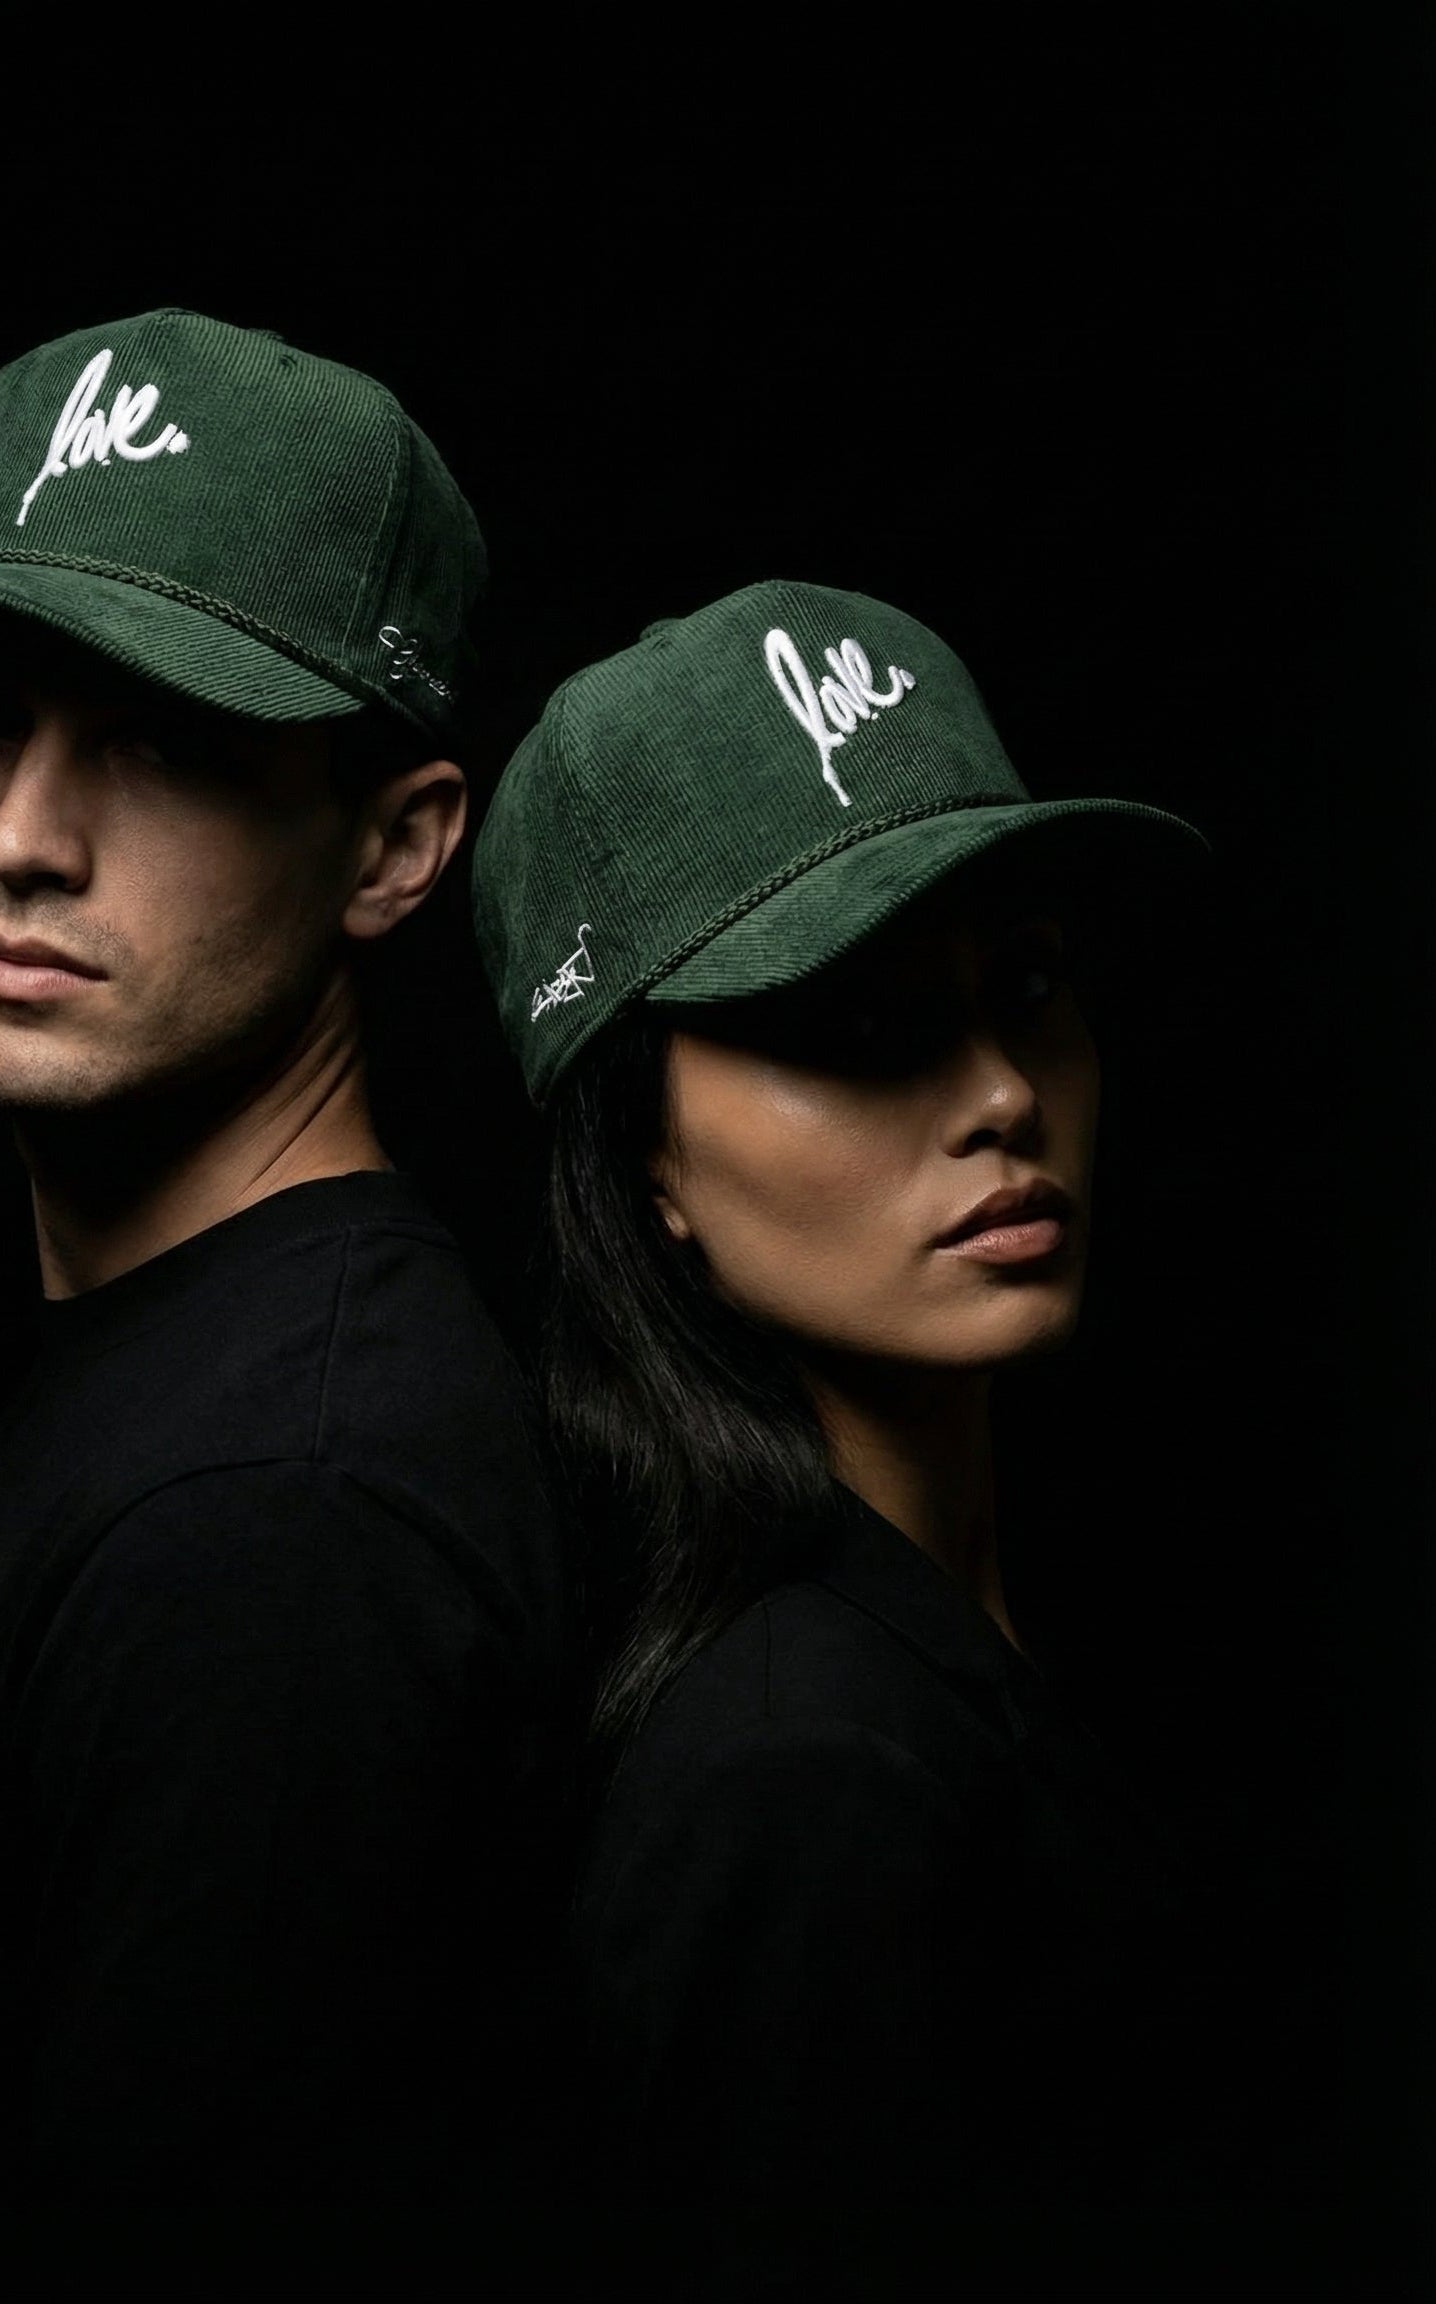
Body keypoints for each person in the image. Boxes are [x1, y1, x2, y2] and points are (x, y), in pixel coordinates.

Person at [0, 309, 569, 2296]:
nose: (21, 837)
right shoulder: (181, 1378)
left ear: (393, 848)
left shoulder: (281, 1520)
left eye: (158, 737)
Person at [471, 581, 1249, 2296]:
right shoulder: (792, 1789)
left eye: (1031, 983)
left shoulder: (998, 1647)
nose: (1002, 1094)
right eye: (862, 1024)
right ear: (646, 1162)